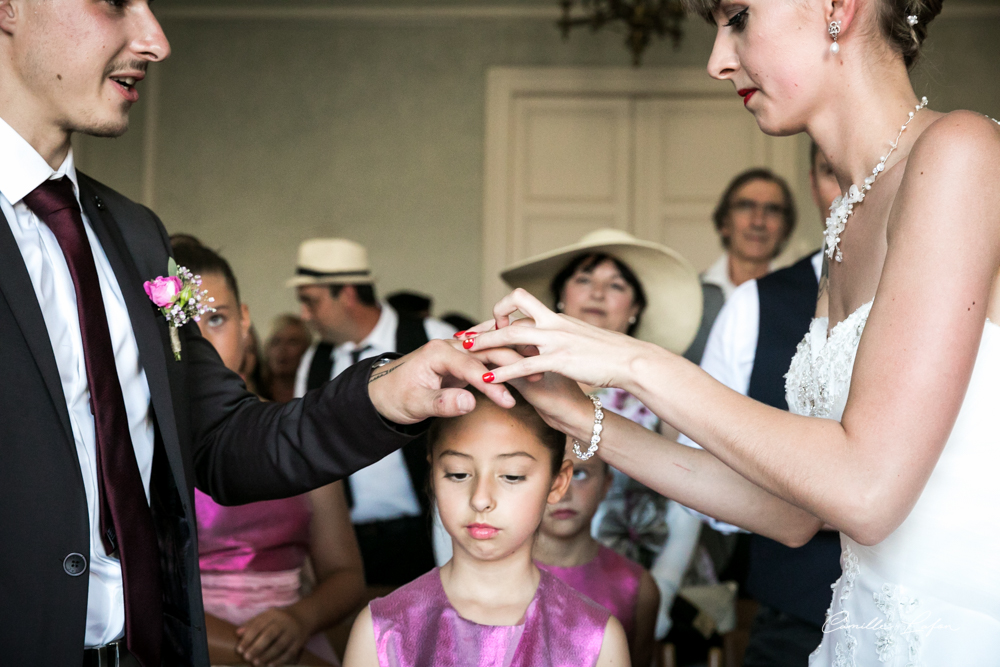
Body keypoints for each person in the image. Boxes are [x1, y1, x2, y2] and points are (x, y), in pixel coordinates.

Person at [471, 0, 1000, 661]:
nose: (717, 61)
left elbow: (868, 491)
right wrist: (582, 418)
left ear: (839, 7)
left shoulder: (961, 151)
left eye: (739, 17)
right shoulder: (844, 226)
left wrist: (637, 363)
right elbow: (795, 511)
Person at [0, 3, 509, 664]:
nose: (155, 40)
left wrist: (386, 393)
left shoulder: (134, 235)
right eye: (116, 2)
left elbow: (225, 440)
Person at [500, 228, 711, 646]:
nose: (597, 293)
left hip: (635, 579)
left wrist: (661, 591)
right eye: (584, 279)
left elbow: (689, 501)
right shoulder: (520, 380)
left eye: (616, 285)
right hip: (520, 577)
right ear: (560, 297)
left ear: (634, 308)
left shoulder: (659, 394)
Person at [677, 143, 843, 666]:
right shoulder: (750, 306)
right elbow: (698, 461)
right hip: (790, 610)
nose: (856, 184)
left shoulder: (963, 293)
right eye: (832, 171)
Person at [341, 387, 630, 667]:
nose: (480, 499)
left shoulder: (596, 638)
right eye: (458, 474)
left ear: (557, 483)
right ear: (432, 475)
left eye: (512, 476)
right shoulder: (381, 629)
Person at [172, 240, 361, 667]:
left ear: (244, 320)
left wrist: (298, 619)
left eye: (215, 318)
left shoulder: (298, 433)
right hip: (192, 649)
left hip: (293, 640)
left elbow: (345, 576)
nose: (200, 341)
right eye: (182, 324)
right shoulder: (137, 447)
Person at [290, 238, 457, 586]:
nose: (305, 314)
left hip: (427, 535)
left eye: (311, 301)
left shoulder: (434, 339)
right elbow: (306, 446)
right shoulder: (315, 360)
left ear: (347, 294)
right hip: (349, 546)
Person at [534, 444, 660, 667]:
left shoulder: (638, 587)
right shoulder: (490, 579)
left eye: (580, 474)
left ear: (606, 484)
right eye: (549, 474)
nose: (563, 492)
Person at [684, 168, 797, 365]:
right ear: (725, 221)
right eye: (746, 206)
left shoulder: (799, 299)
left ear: (785, 228)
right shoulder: (689, 296)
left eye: (772, 210)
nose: (758, 221)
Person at [261, 314, 313, 402]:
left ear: (306, 349)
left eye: (292, 342)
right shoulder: (253, 391)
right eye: (276, 342)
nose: (282, 349)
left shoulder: (315, 392)